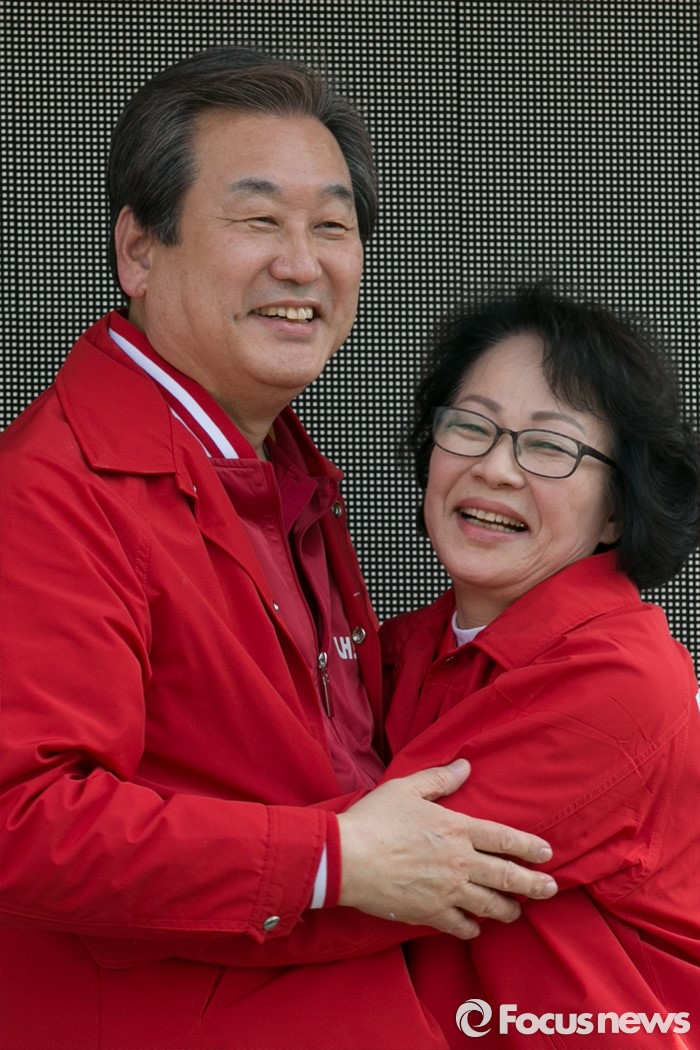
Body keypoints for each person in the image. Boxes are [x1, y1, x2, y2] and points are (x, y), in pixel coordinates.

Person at [0, 48, 558, 1050]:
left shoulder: (270, 461)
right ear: (138, 251)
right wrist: (330, 859)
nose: (302, 264)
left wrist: (589, 656)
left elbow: (321, 733)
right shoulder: (50, 490)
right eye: (258, 220)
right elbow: (24, 823)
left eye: (331, 227)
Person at [380, 282, 700, 1048]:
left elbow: (370, 882)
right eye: (471, 427)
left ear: (617, 509)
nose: (496, 468)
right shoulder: (398, 649)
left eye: (551, 447)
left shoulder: (621, 679)